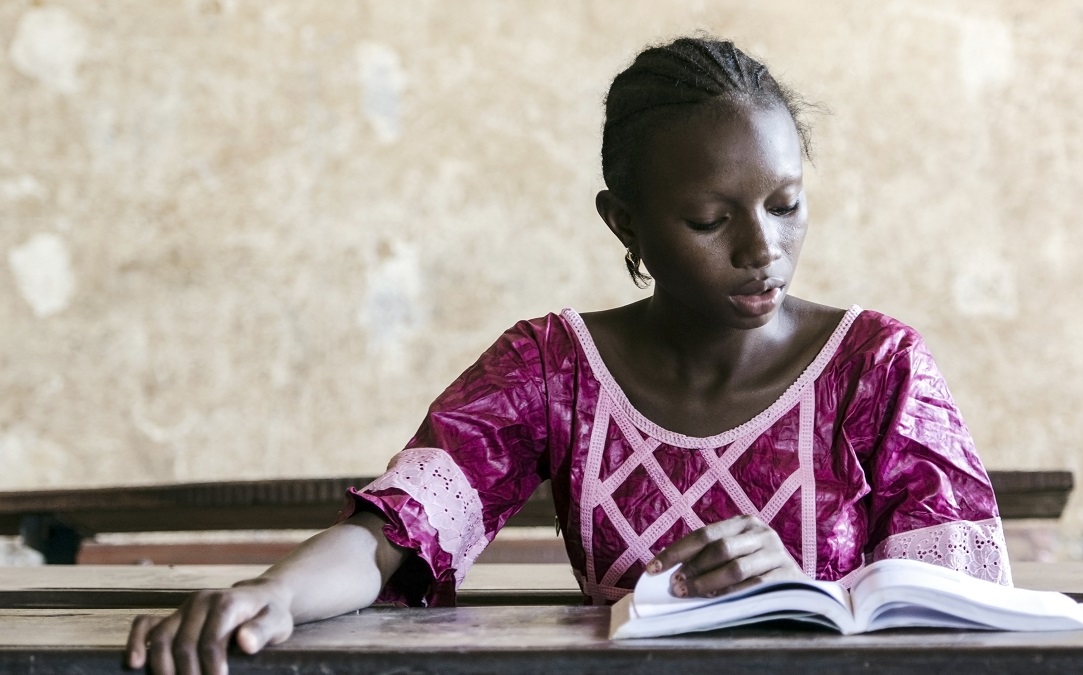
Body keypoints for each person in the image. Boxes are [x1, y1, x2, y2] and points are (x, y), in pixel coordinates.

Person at [125, 35, 1011, 674]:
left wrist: (806, 600)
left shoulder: (876, 367)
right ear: (623, 221)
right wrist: (273, 594)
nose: (762, 248)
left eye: (785, 204)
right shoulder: (554, 367)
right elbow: (393, 535)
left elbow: (961, 612)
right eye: (710, 220)